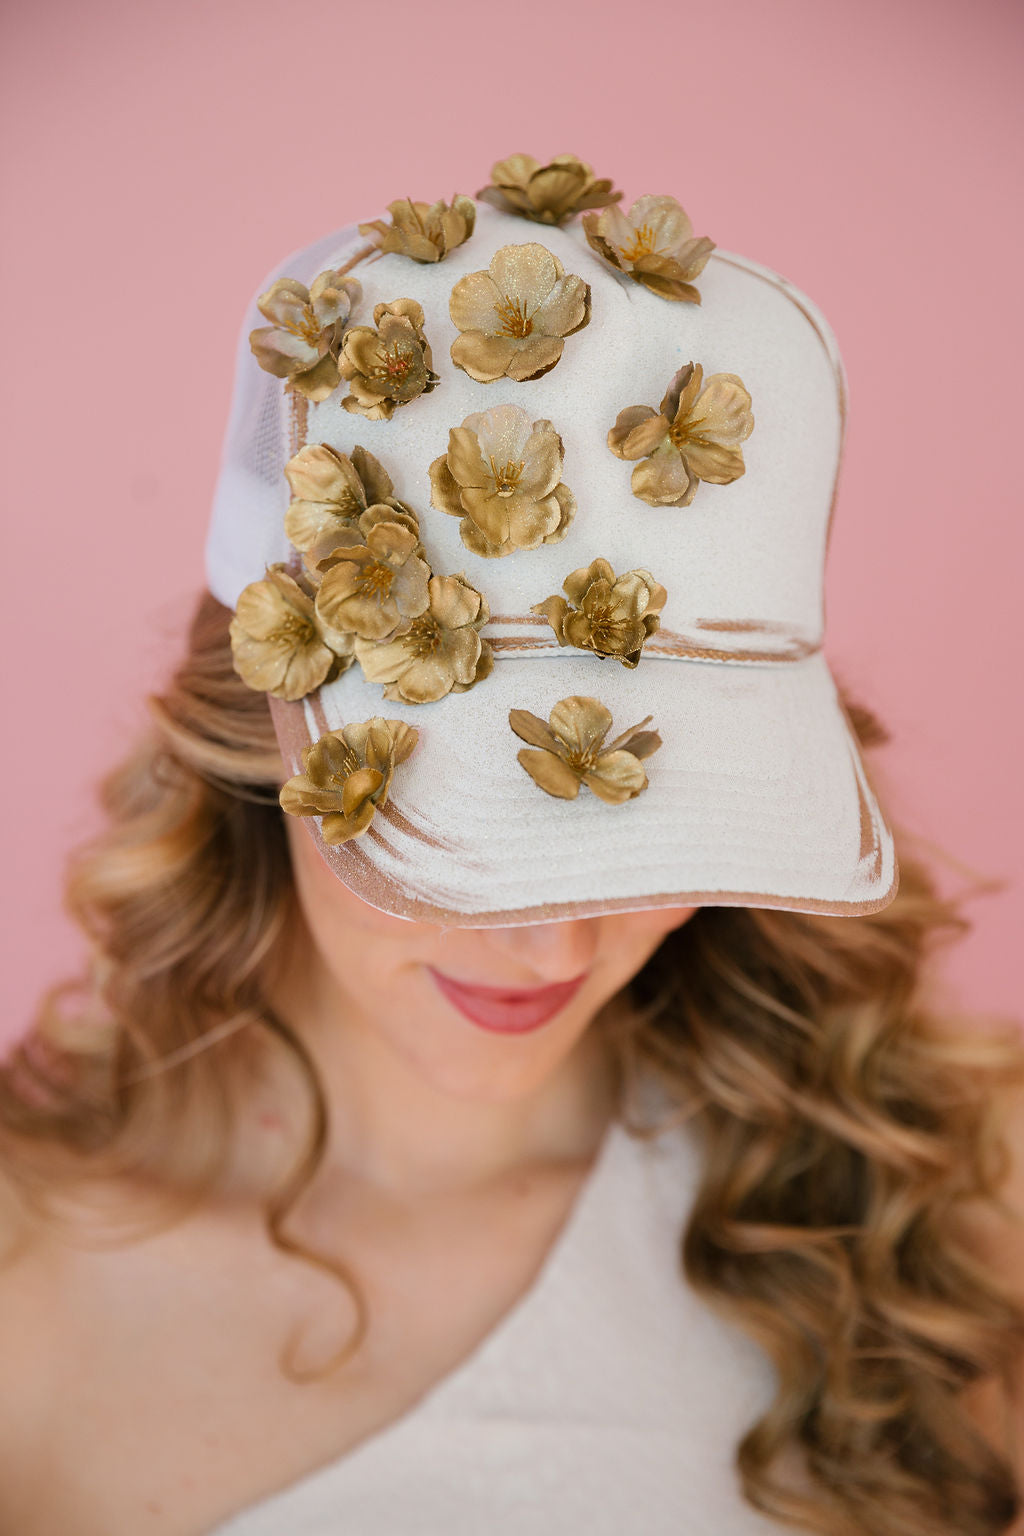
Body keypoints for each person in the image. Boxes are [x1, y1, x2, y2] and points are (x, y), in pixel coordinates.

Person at [1, 156, 1022, 1536]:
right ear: (264, 740)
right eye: (478, 819)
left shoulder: (955, 1199)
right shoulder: (27, 1293)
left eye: (650, 818)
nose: (557, 946)